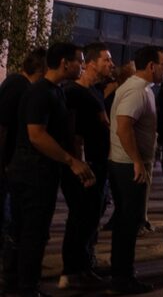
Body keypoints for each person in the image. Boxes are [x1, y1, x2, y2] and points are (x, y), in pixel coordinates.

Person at [3, 43, 94, 297]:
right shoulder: (40, 92)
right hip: (32, 173)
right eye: (80, 60)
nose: (83, 65)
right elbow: (36, 135)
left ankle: (16, 284)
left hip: (39, 172)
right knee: (32, 232)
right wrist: (71, 161)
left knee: (25, 231)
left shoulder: (56, 91)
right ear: (65, 63)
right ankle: (26, 288)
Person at [108, 45, 163, 294]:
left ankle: (121, 273)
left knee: (126, 222)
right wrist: (137, 161)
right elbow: (123, 127)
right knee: (129, 223)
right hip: (127, 165)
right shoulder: (136, 90)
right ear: (151, 66)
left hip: (124, 163)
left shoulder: (137, 88)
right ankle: (123, 278)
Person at [59, 42, 113, 290]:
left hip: (100, 164)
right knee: (80, 218)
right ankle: (70, 271)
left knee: (92, 217)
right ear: (91, 64)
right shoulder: (73, 92)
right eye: (106, 60)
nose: (111, 64)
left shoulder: (97, 92)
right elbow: (72, 133)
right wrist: (80, 164)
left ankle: (83, 265)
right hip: (85, 165)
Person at [0, 49, 45, 278]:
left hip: (10, 164)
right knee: (9, 222)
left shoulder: (19, 85)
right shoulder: (19, 86)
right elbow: (3, 126)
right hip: (8, 165)